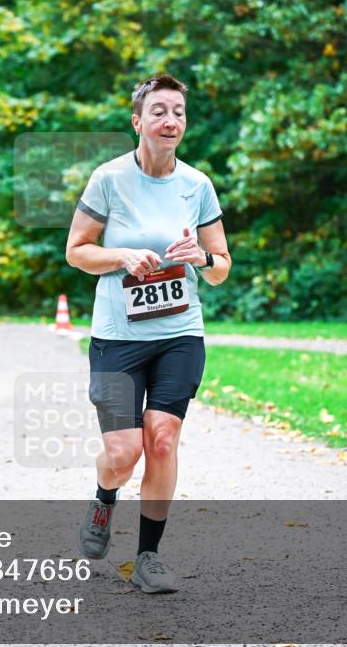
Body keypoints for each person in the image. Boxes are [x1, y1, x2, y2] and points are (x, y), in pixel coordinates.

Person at [65, 73, 231, 593]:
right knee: (123, 454)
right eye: (159, 111)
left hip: (180, 333)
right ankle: (103, 497)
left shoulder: (197, 185)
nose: (170, 120)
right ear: (138, 121)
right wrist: (120, 256)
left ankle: (148, 558)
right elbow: (76, 250)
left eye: (178, 111)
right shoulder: (108, 180)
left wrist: (201, 258)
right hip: (117, 337)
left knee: (162, 440)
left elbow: (222, 264)